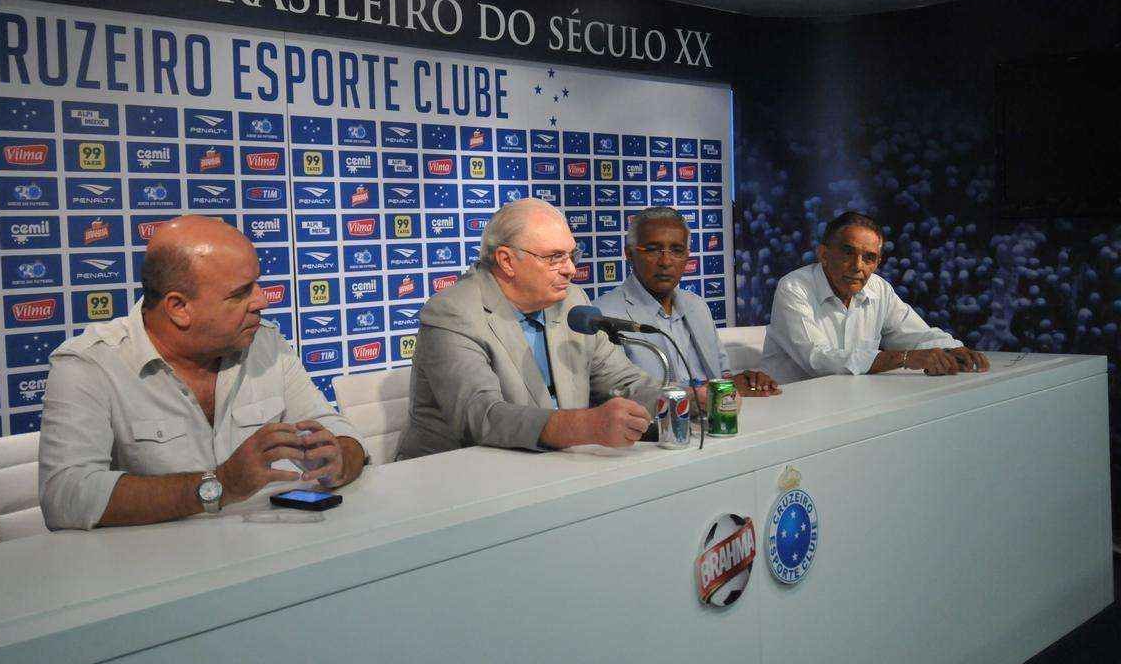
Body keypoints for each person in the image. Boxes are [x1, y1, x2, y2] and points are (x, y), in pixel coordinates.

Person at [39, 216, 366, 530]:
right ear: (179, 307)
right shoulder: (89, 365)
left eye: (257, 283)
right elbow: (66, 495)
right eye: (240, 293)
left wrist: (338, 461)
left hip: (272, 554)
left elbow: (341, 435)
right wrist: (220, 486)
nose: (262, 300)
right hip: (154, 572)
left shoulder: (266, 343)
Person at [396, 198, 659, 460]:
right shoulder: (454, 312)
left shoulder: (572, 302)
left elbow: (625, 383)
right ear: (507, 261)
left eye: (571, 255)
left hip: (555, 466)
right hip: (455, 475)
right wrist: (586, 426)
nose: (570, 269)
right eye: (555, 257)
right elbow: (483, 416)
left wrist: (687, 399)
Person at [762, 210, 990, 384]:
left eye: (869, 258)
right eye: (847, 252)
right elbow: (817, 359)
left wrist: (952, 349)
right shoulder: (794, 287)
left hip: (851, 403)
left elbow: (916, 334)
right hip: (794, 409)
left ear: (877, 263)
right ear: (823, 254)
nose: (857, 266)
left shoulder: (878, 288)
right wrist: (904, 359)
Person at [596, 207, 779, 395]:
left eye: (677, 250)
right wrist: (714, 391)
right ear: (629, 254)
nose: (666, 261)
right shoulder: (604, 316)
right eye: (652, 250)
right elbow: (620, 393)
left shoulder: (697, 305)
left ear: (687, 256)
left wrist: (744, 381)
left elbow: (722, 375)